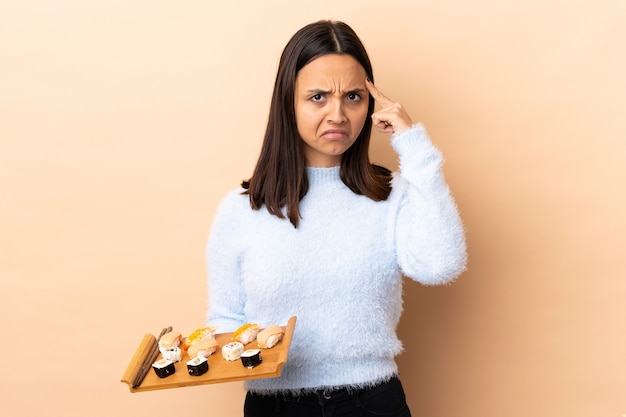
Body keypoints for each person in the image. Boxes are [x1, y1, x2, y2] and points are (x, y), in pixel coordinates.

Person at [206, 20, 467, 417]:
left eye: (353, 96)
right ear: (288, 103)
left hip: (372, 402)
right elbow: (225, 320)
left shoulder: (391, 194)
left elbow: (441, 265)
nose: (338, 113)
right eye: (317, 97)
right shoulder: (243, 209)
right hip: (274, 406)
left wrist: (414, 146)